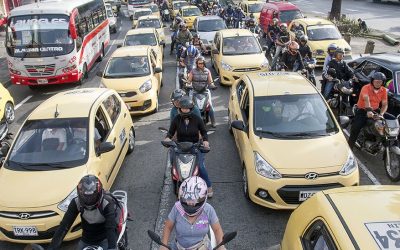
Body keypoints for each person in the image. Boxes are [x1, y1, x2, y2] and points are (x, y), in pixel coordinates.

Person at [48, 175, 120, 250]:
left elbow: (110, 227)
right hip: (87, 239)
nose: (88, 199)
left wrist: (112, 247)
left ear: (98, 193)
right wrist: (52, 248)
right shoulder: (76, 202)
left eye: (91, 196)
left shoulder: (107, 203)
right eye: (86, 196)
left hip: (105, 238)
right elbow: (64, 226)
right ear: (80, 193)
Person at [165, 97, 213, 196]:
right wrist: (167, 139)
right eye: (183, 108)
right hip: (180, 147)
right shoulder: (176, 119)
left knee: (200, 166)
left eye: (187, 108)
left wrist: (205, 141)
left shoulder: (197, 119)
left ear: (191, 109)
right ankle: (176, 186)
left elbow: (204, 132)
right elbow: (170, 133)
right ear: (180, 109)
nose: (185, 110)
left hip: (195, 147)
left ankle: (209, 186)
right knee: (174, 167)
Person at [161, 177, 225, 250]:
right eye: (187, 200)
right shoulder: (177, 208)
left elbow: (217, 229)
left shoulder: (208, 210)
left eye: (194, 200)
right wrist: (164, 245)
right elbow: (168, 227)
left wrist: (221, 246)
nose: (190, 203)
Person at [348, 72, 388, 150]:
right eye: (376, 81)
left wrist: (381, 114)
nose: (378, 83)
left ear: (383, 82)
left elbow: (385, 104)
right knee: (355, 128)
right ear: (372, 81)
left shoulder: (383, 90)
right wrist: (369, 111)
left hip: (375, 110)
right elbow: (366, 99)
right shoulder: (366, 88)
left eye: (380, 82)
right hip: (362, 110)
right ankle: (349, 149)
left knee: (385, 127)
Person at [187, 56, 216, 127]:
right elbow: (189, 81)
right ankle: (189, 121)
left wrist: (212, 86)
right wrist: (188, 85)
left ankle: (213, 121)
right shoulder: (192, 71)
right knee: (189, 106)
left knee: (210, 106)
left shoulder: (207, 71)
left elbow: (210, 81)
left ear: (204, 63)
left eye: (202, 63)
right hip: (194, 91)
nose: (201, 65)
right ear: (197, 63)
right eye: (199, 63)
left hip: (205, 91)